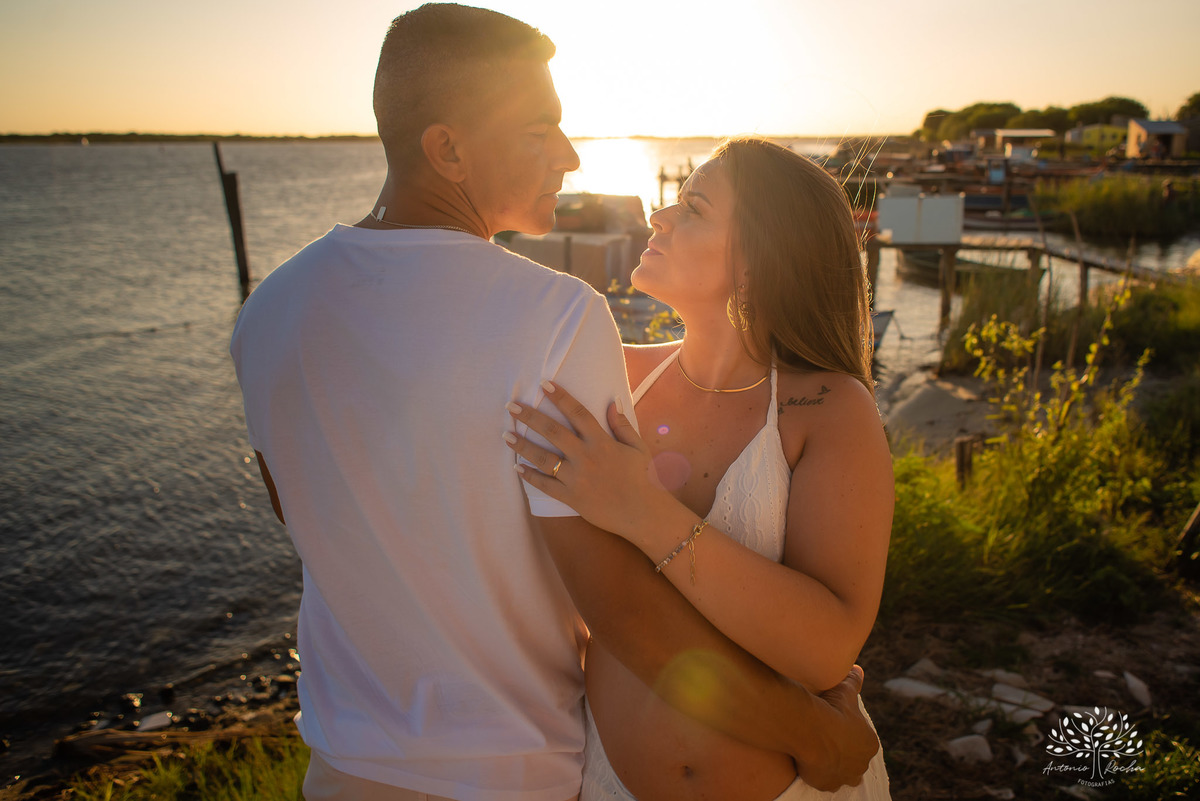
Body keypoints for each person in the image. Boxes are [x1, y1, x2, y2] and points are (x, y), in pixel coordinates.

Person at [231, 5, 878, 800]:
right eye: (540, 130)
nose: (570, 156)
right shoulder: (556, 317)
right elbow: (624, 610)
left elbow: (305, 514)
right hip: (511, 772)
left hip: (344, 766)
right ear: (448, 149)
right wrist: (816, 733)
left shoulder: (267, 312)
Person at [506, 137, 894, 800]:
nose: (658, 216)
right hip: (604, 784)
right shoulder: (617, 378)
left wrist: (644, 511)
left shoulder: (826, 408)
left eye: (693, 209)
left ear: (757, 261)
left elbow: (826, 649)